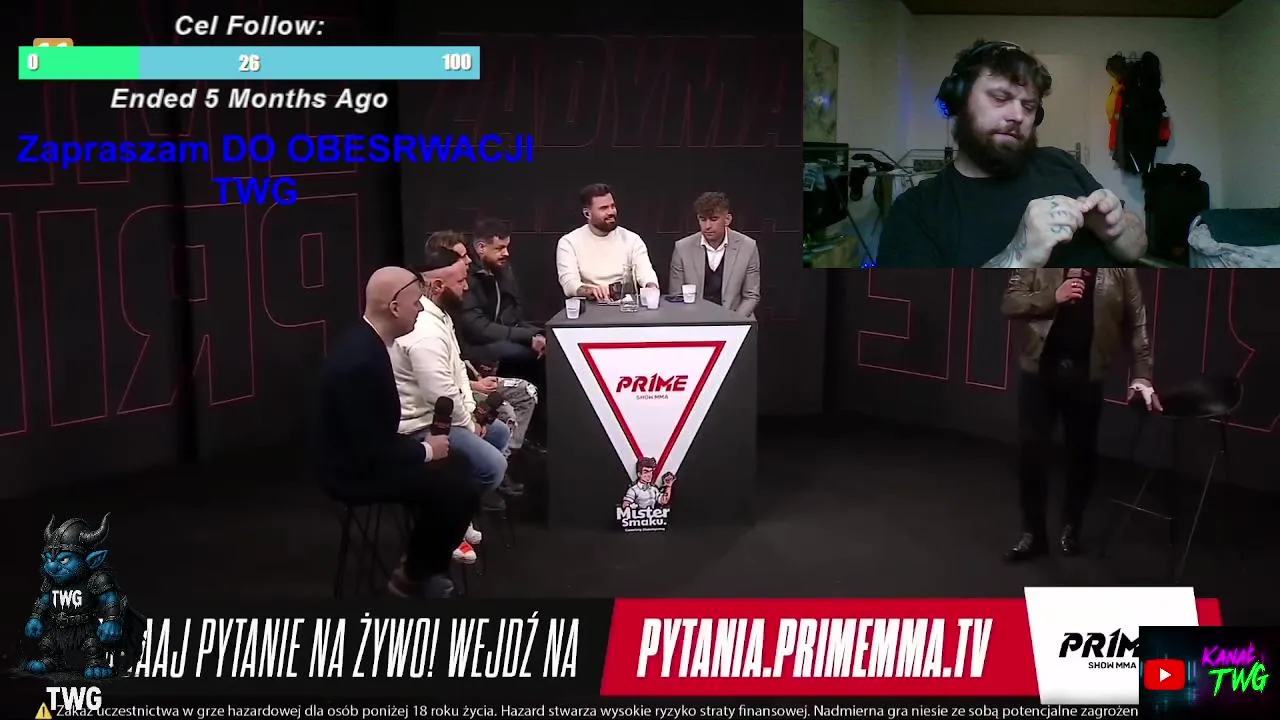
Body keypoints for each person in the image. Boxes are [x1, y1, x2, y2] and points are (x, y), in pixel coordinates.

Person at [877, 40, 1148, 269]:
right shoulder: (917, 211)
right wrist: (1019, 257)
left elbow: (1137, 248)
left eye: (1029, 106)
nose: (1018, 116)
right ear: (958, 100)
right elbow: (926, 313)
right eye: (1000, 98)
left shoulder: (1060, 162)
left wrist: (1116, 230)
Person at [317, 266, 468, 599]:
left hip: (368, 454)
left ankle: (422, 567)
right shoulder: (362, 360)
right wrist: (427, 450)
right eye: (416, 303)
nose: (421, 309)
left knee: (459, 469)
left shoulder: (370, 343)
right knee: (456, 488)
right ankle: (414, 577)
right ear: (395, 307)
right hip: (353, 471)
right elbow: (368, 448)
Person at [1001, 268, 1161, 562]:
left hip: (1086, 376)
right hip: (1039, 373)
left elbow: (1137, 321)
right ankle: (1032, 533)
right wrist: (1053, 296)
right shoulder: (1039, 255)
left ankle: (1071, 527)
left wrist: (1143, 374)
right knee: (1031, 452)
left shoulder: (1120, 270)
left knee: (1081, 456)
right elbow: (1010, 302)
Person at [391, 249, 512, 552]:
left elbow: (456, 371)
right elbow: (441, 394)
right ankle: (446, 517)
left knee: (499, 432)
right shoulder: (424, 331)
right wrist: (469, 426)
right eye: (460, 281)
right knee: (493, 466)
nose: (467, 287)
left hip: (443, 414)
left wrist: (471, 414)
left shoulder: (440, 316)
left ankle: (456, 508)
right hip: (422, 426)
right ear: (438, 286)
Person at [430, 227, 545, 451]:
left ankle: (512, 452)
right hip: (466, 375)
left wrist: (534, 333)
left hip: (467, 373)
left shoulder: (492, 277)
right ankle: (502, 457)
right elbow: (476, 331)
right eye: (461, 257)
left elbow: (510, 318)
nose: (467, 261)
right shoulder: (428, 320)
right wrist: (473, 386)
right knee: (508, 408)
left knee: (526, 390)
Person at [455, 219, 547, 374]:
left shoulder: (503, 270)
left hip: (498, 336)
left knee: (545, 347)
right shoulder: (467, 276)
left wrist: (537, 334)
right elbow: (477, 328)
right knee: (524, 353)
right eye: (499, 248)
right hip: (474, 345)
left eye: (507, 247)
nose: (506, 253)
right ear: (481, 247)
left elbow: (513, 317)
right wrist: (528, 336)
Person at [556, 183, 659, 301]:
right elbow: (569, 284)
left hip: (624, 305)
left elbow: (646, 273)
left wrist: (651, 287)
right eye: (604, 208)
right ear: (587, 214)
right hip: (589, 306)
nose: (611, 212)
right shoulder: (569, 242)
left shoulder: (632, 239)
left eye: (612, 206)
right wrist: (592, 291)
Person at [668, 192, 762, 317]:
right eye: (703, 219)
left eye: (713, 219)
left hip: (736, 319)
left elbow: (751, 296)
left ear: (727, 219)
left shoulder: (747, 247)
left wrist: (734, 322)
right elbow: (676, 296)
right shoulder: (682, 248)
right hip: (694, 320)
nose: (707, 226)